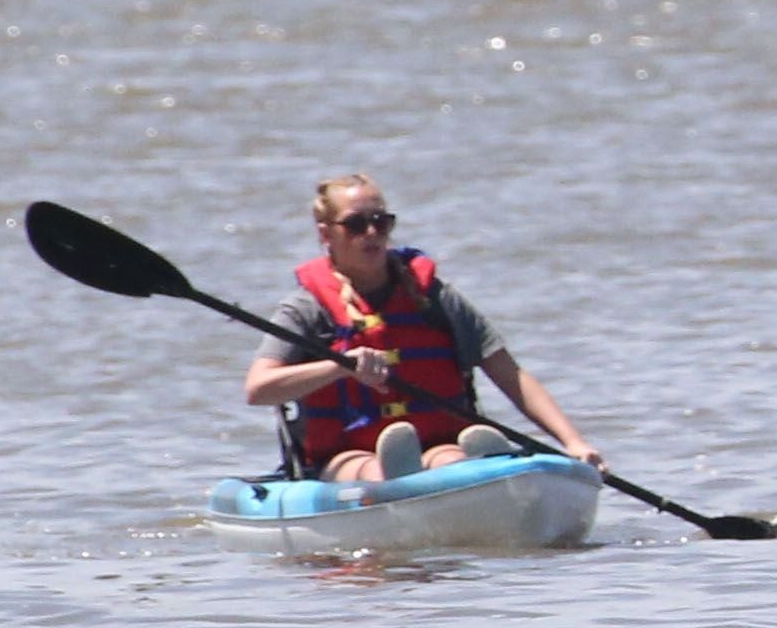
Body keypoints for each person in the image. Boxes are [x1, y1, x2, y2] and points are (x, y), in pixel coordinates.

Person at [241, 174, 601, 484]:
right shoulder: (306, 309)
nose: (371, 233)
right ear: (326, 234)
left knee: (450, 460)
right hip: (344, 457)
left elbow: (510, 374)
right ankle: (403, 476)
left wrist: (574, 443)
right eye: (355, 224)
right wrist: (339, 365)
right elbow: (258, 389)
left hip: (438, 441)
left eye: (381, 222)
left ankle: (480, 465)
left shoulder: (433, 297)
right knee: (372, 470)